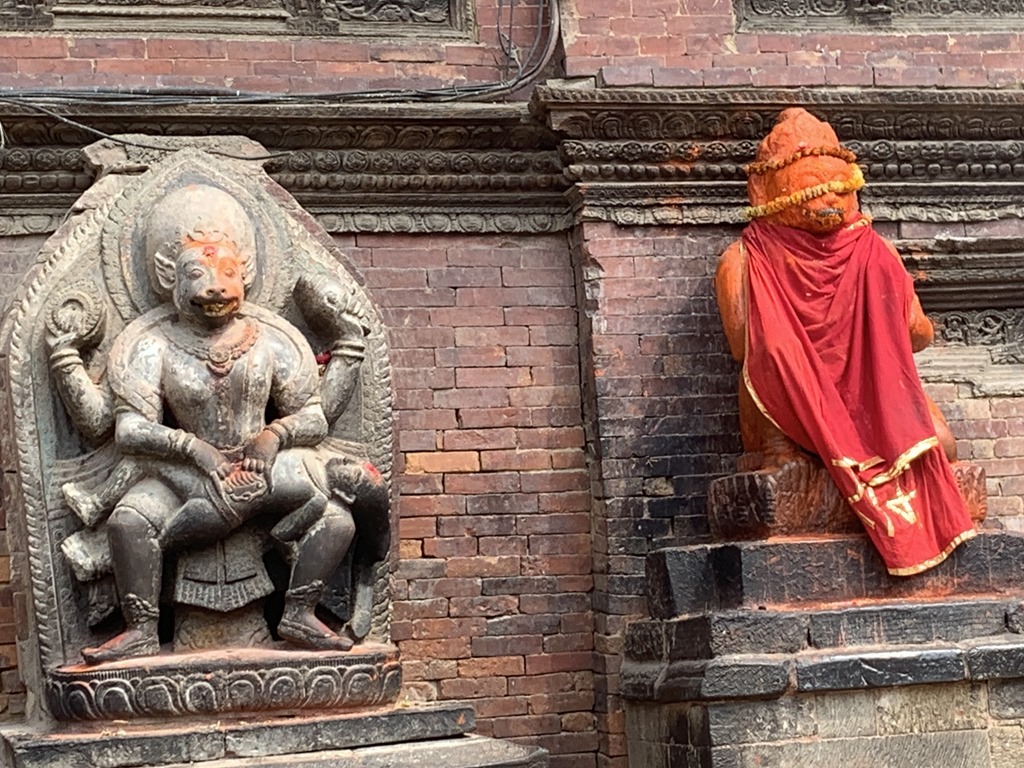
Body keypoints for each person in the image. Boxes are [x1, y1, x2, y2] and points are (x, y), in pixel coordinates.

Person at [715, 108, 975, 576]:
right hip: (790, 409)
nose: (829, 198)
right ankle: (784, 451)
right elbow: (744, 348)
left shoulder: (875, 252)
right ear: (764, 191)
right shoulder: (744, 261)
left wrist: (873, 321)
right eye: (812, 185)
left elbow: (918, 333)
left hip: (873, 397)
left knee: (943, 447)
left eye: (838, 185)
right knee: (773, 363)